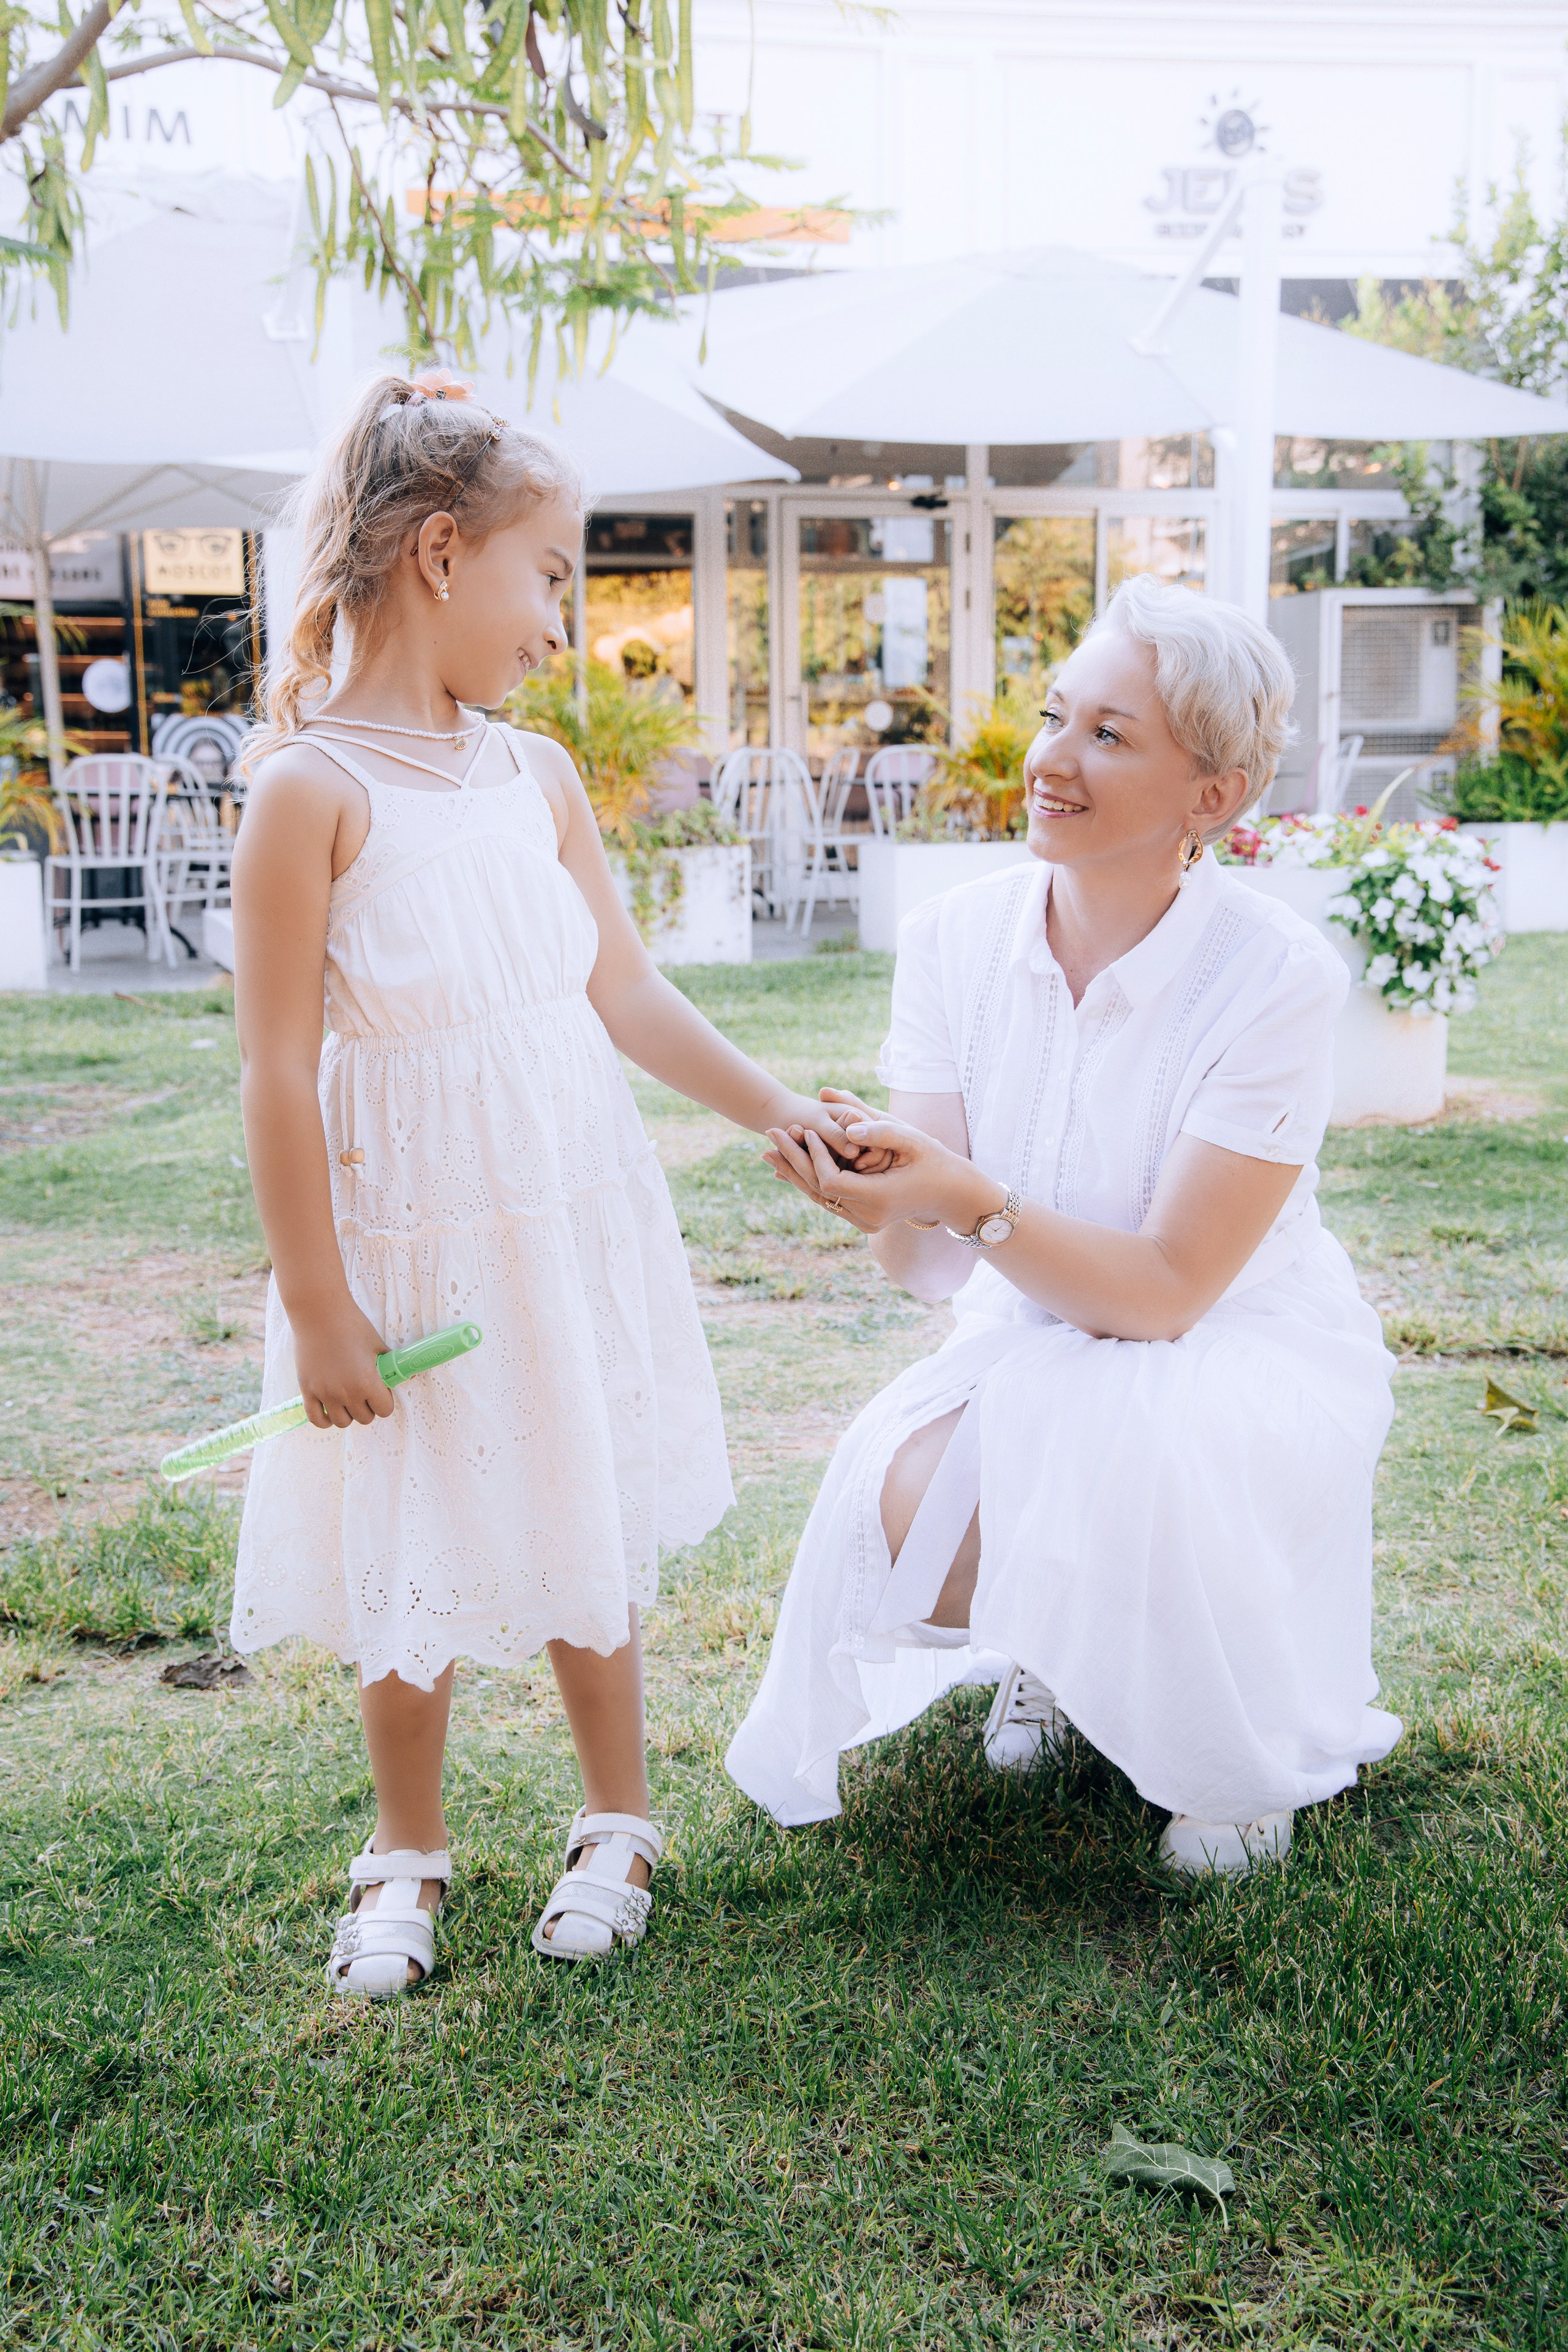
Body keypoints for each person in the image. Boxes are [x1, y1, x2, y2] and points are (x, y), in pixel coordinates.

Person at [228, 371, 861, 1994]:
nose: (560, 620)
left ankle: (617, 1816)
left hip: (560, 1213)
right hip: (403, 1236)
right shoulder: (310, 791)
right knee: (407, 1530)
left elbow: (626, 994)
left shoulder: (540, 776)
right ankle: (405, 1849)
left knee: (573, 1488)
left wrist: (778, 1107)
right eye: (553, 573)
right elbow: (277, 1073)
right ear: (443, 554)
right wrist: (319, 1305)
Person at [727, 575, 1401, 1877]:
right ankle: (1055, 1647)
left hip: (1235, 1335)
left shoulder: (1272, 978)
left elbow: (1163, 1297)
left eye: (1109, 735)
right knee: (903, 1514)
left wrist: (960, 1193)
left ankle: (1229, 1741)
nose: (1050, 760)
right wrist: (881, 1189)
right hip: (1032, 1324)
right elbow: (925, 1264)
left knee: (1143, 1433)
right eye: (1053, 716)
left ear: (1211, 797)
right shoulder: (952, 939)